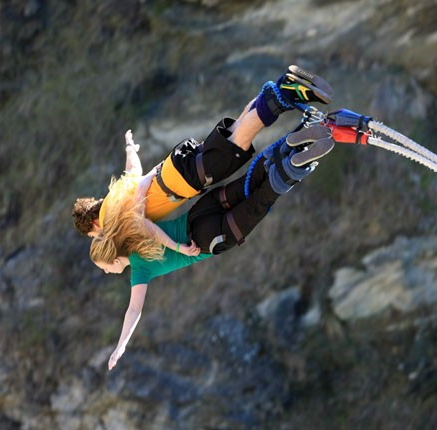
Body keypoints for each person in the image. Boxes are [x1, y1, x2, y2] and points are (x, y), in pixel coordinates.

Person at [91, 127, 336, 370]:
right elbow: (133, 175)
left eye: (104, 267)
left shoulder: (139, 270)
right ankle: (292, 143)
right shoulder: (132, 230)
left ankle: (293, 165)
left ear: (114, 259)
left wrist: (121, 345)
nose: (105, 272)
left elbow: (134, 310)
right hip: (200, 212)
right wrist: (131, 150)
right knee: (249, 181)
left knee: (260, 201)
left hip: (209, 239)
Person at [72, 65, 334, 253]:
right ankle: (283, 84)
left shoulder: (110, 220)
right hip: (175, 165)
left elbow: (143, 225)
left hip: (183, 180)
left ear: (93, 224)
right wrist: (130, 147)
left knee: (239, 141)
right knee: (236, 129)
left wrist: (177, 247)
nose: (100, 235)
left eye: (95, 234)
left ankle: (285, 92)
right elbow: (132, 172)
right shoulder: (113, 196)